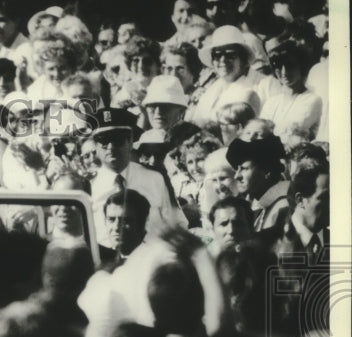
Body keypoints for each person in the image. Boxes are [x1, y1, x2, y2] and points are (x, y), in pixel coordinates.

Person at [87, 106, 186, 242]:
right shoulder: (87, 186)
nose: (111, 147)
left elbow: (177, 224)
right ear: (95, 146)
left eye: (117, 139)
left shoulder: (154, 178)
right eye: (103, 141)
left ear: (130, 141)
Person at [189, 25, 263, 130]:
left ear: (242, 59)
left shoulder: (258, 86)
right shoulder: (210, 91)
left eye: (230, 55)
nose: (223, 60)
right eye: (217, 55)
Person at [225, 135, 289, 231]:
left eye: (244, 169)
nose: (236, 176)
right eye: (236, 170)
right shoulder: (264, 205)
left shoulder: (284, 206)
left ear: (267, 171)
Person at [99, 189, 150, 267]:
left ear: (141, 223)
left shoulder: (153, 261)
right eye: (111, 219)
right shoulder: (100, 260)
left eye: (125, 221)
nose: (116, 227)